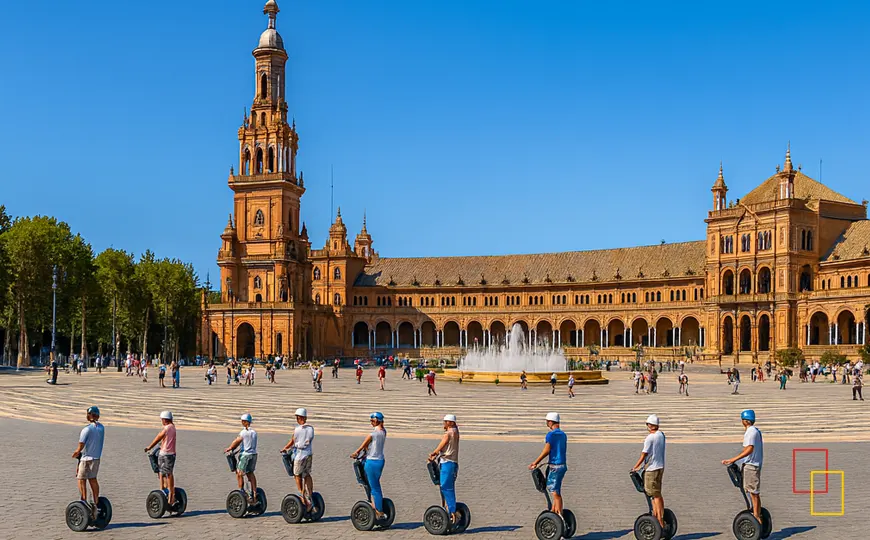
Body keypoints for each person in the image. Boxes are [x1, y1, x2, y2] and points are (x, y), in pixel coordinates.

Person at [722, 410, 763, 524]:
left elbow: (749, 449)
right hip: (753, 464)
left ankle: (756, 516)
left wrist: (733, 459)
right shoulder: (755, 431)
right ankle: (756, 513)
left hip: (751, 466)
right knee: (753, 492)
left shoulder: (750, 432)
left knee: (753, 492)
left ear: (745, 421)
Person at [631, 415, 666, 528]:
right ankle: (658, 516)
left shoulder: (650, 438)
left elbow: (644, 454)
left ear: (650, 425)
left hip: (651, 469)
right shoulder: (661, 435)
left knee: (653, 495)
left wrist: (636, 466)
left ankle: (659, 520)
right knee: (657, 493)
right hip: (660, 467)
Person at [529, 412, 567, 517]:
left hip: (555, 466)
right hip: (562, 465)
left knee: (555, 493)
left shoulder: (551, 435)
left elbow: (547, 450)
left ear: (550, 422)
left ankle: (560, 517)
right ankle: (553, 512)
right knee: (556, 490)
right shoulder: (563, 434)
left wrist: (535, 462)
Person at [351, 412, 387, 520]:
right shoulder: (384, 431)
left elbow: (361, 447)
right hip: (380, 461)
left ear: (376, 421)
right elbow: (370, 446)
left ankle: (379, 511)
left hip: (371, 462)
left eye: (372, 420)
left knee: (374, 488)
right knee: (374, 485)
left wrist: (355, 453)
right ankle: (375, 505)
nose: (371, 422)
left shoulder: (373, 434)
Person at [281, 408, 316, 512]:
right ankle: (310, 494)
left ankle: (302, 495)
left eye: (297, 417)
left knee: (296, 474)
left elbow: (293, 441)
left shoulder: (297, 430)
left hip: (300, 455)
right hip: (309, 453)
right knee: (307, 474)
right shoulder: (311, 428)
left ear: (299, 418)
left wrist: (285, 448)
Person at [73, 406, 105, 519]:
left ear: (89, 416)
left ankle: (83, 501)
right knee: (93, 479)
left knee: (81, 478)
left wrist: (76, 453)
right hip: (96, 458)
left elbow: (81, 445)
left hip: (86, 458)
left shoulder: (86, 430)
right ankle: (96, 502)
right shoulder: (101, 427)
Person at [428, 414, 460, 524]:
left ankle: (452, 512)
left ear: (450, 423)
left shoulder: (449, 433)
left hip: (447, 463)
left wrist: (434, 453)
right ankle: (448, 509)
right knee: (448, 487)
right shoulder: (456, 431)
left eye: (445, 422)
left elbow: (441, 445)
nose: (444, 424)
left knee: (446, 487)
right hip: (453, 463)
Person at [144, 411, 177, 507]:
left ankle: (170, 494)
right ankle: (167, 491)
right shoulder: (173, 427)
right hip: (168, 453)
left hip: (166, 454)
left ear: (165, 420)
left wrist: (149, 447)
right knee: (164, 473)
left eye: (162, 420)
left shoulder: (167, 428)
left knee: (165, 473)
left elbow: (158, 437)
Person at [225, 413, 259, 504]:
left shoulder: (244, 432)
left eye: (243, 421)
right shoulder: (254, 432)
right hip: (254, 454)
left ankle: (242, 491)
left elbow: (237, 441)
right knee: (250, 473)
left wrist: (230, 448)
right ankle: (254, 493)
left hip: (246, 455)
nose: (242, 422)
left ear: (246, 422)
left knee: (239, 473)